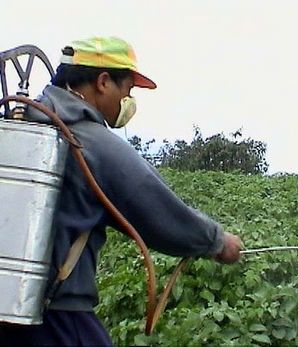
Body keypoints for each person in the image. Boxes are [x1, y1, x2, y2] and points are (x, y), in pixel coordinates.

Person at [0, 37, 243, 346]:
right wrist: (218, 241)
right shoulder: (89, 140)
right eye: (127, 90)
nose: (128, 102)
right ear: (103, 82)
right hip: (55, 317)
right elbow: (156, 209)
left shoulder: (27, 125)